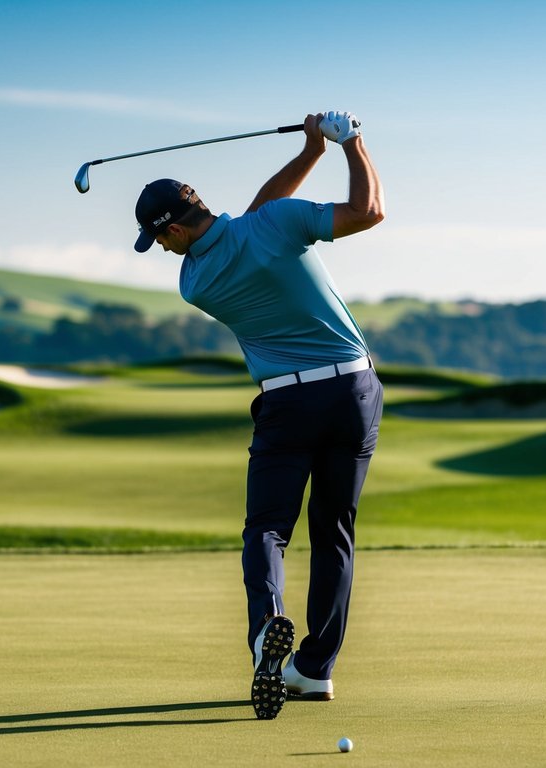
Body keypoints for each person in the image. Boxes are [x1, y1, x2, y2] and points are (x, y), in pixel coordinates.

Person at [131, 111, 385, 720]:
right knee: (334, 533)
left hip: (285, 403)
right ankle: (315, 670)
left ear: (172, 231)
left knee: (267, 529)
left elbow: (252, 220)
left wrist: (310, 151)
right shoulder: (276, 225)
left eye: (157, 238)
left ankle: (265, 632)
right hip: (352, 391)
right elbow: (367, 211)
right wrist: (348, 143)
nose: (161, 250)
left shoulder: (196, 280)